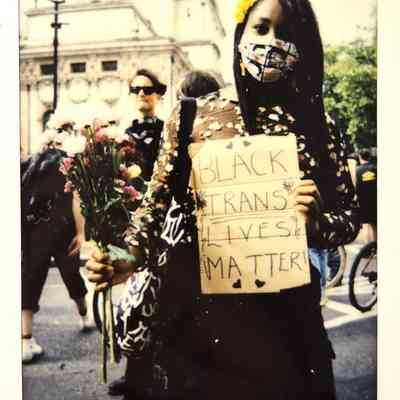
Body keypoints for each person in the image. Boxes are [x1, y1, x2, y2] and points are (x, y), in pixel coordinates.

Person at [87, 1, 360, 399]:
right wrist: (122, 258)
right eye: (262, 28)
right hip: (197, 320)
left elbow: (349, 217)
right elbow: (153, 208)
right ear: (241, 34)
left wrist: (317, 222)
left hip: (284, 324)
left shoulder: (319, 124)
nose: (272, 43)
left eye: (287, 34)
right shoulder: (191, 116)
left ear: (305, 45)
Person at [107, 69, 167, 397]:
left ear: (159, 93)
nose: (142, 94)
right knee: (133, 300)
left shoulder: (167, 130)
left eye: (149, 89)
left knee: (154, 299)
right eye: (137, 89)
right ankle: (133, 373)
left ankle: (152, 373)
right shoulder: (124, 135)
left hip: (158, 223)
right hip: (130, 224)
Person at [21, 135, 89, 363]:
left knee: (30, 280)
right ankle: (84, 315)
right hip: (63, 232)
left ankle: (25, 341)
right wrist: (81, 234)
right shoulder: (67, 165)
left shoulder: (29, 166)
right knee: (72, 276)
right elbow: (77, 200)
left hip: (35, 232)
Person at [356, 148, 377, 242]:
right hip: (375, 200)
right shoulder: (375, 168)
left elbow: (354, 185)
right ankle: (375, 247)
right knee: (375, 224)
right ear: (369, 157)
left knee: (366, 225)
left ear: (360, 157)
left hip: (363, 201)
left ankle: (367, 250)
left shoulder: (357, 171)